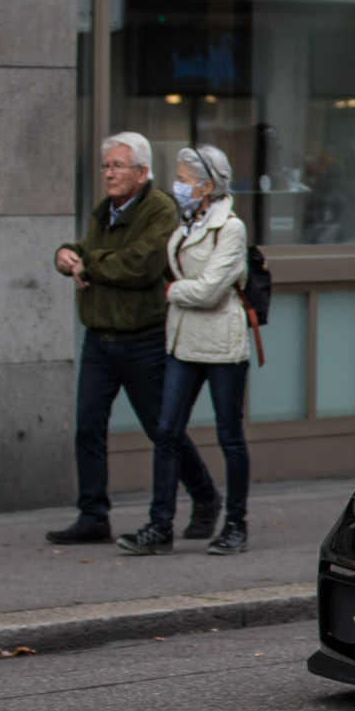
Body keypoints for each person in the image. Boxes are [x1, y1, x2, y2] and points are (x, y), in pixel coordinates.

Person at [51, 134, 218, 545]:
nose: (108, 173)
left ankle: (206, 497)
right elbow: (89, 248)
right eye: (106, 165)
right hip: (99, 338)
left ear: (142, 173)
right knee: (88, 427)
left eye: (117, 166)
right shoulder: (104, 210)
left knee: (163, 431)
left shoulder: (159, 209)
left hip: (143, 339)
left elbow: (140, 266)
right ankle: (92, 516)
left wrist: (88, 263)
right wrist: (66, 254)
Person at [120, 144, 252, 556]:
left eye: (184, 178)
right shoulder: (189, 223)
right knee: (166, 432)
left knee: (229, 435)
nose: (177, 185)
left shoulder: (230, 227)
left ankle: (235, 524)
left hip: (222, 344)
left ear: (207, 186)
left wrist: (173, 290)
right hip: (183, 341)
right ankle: (160, 526)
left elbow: (211, 289)